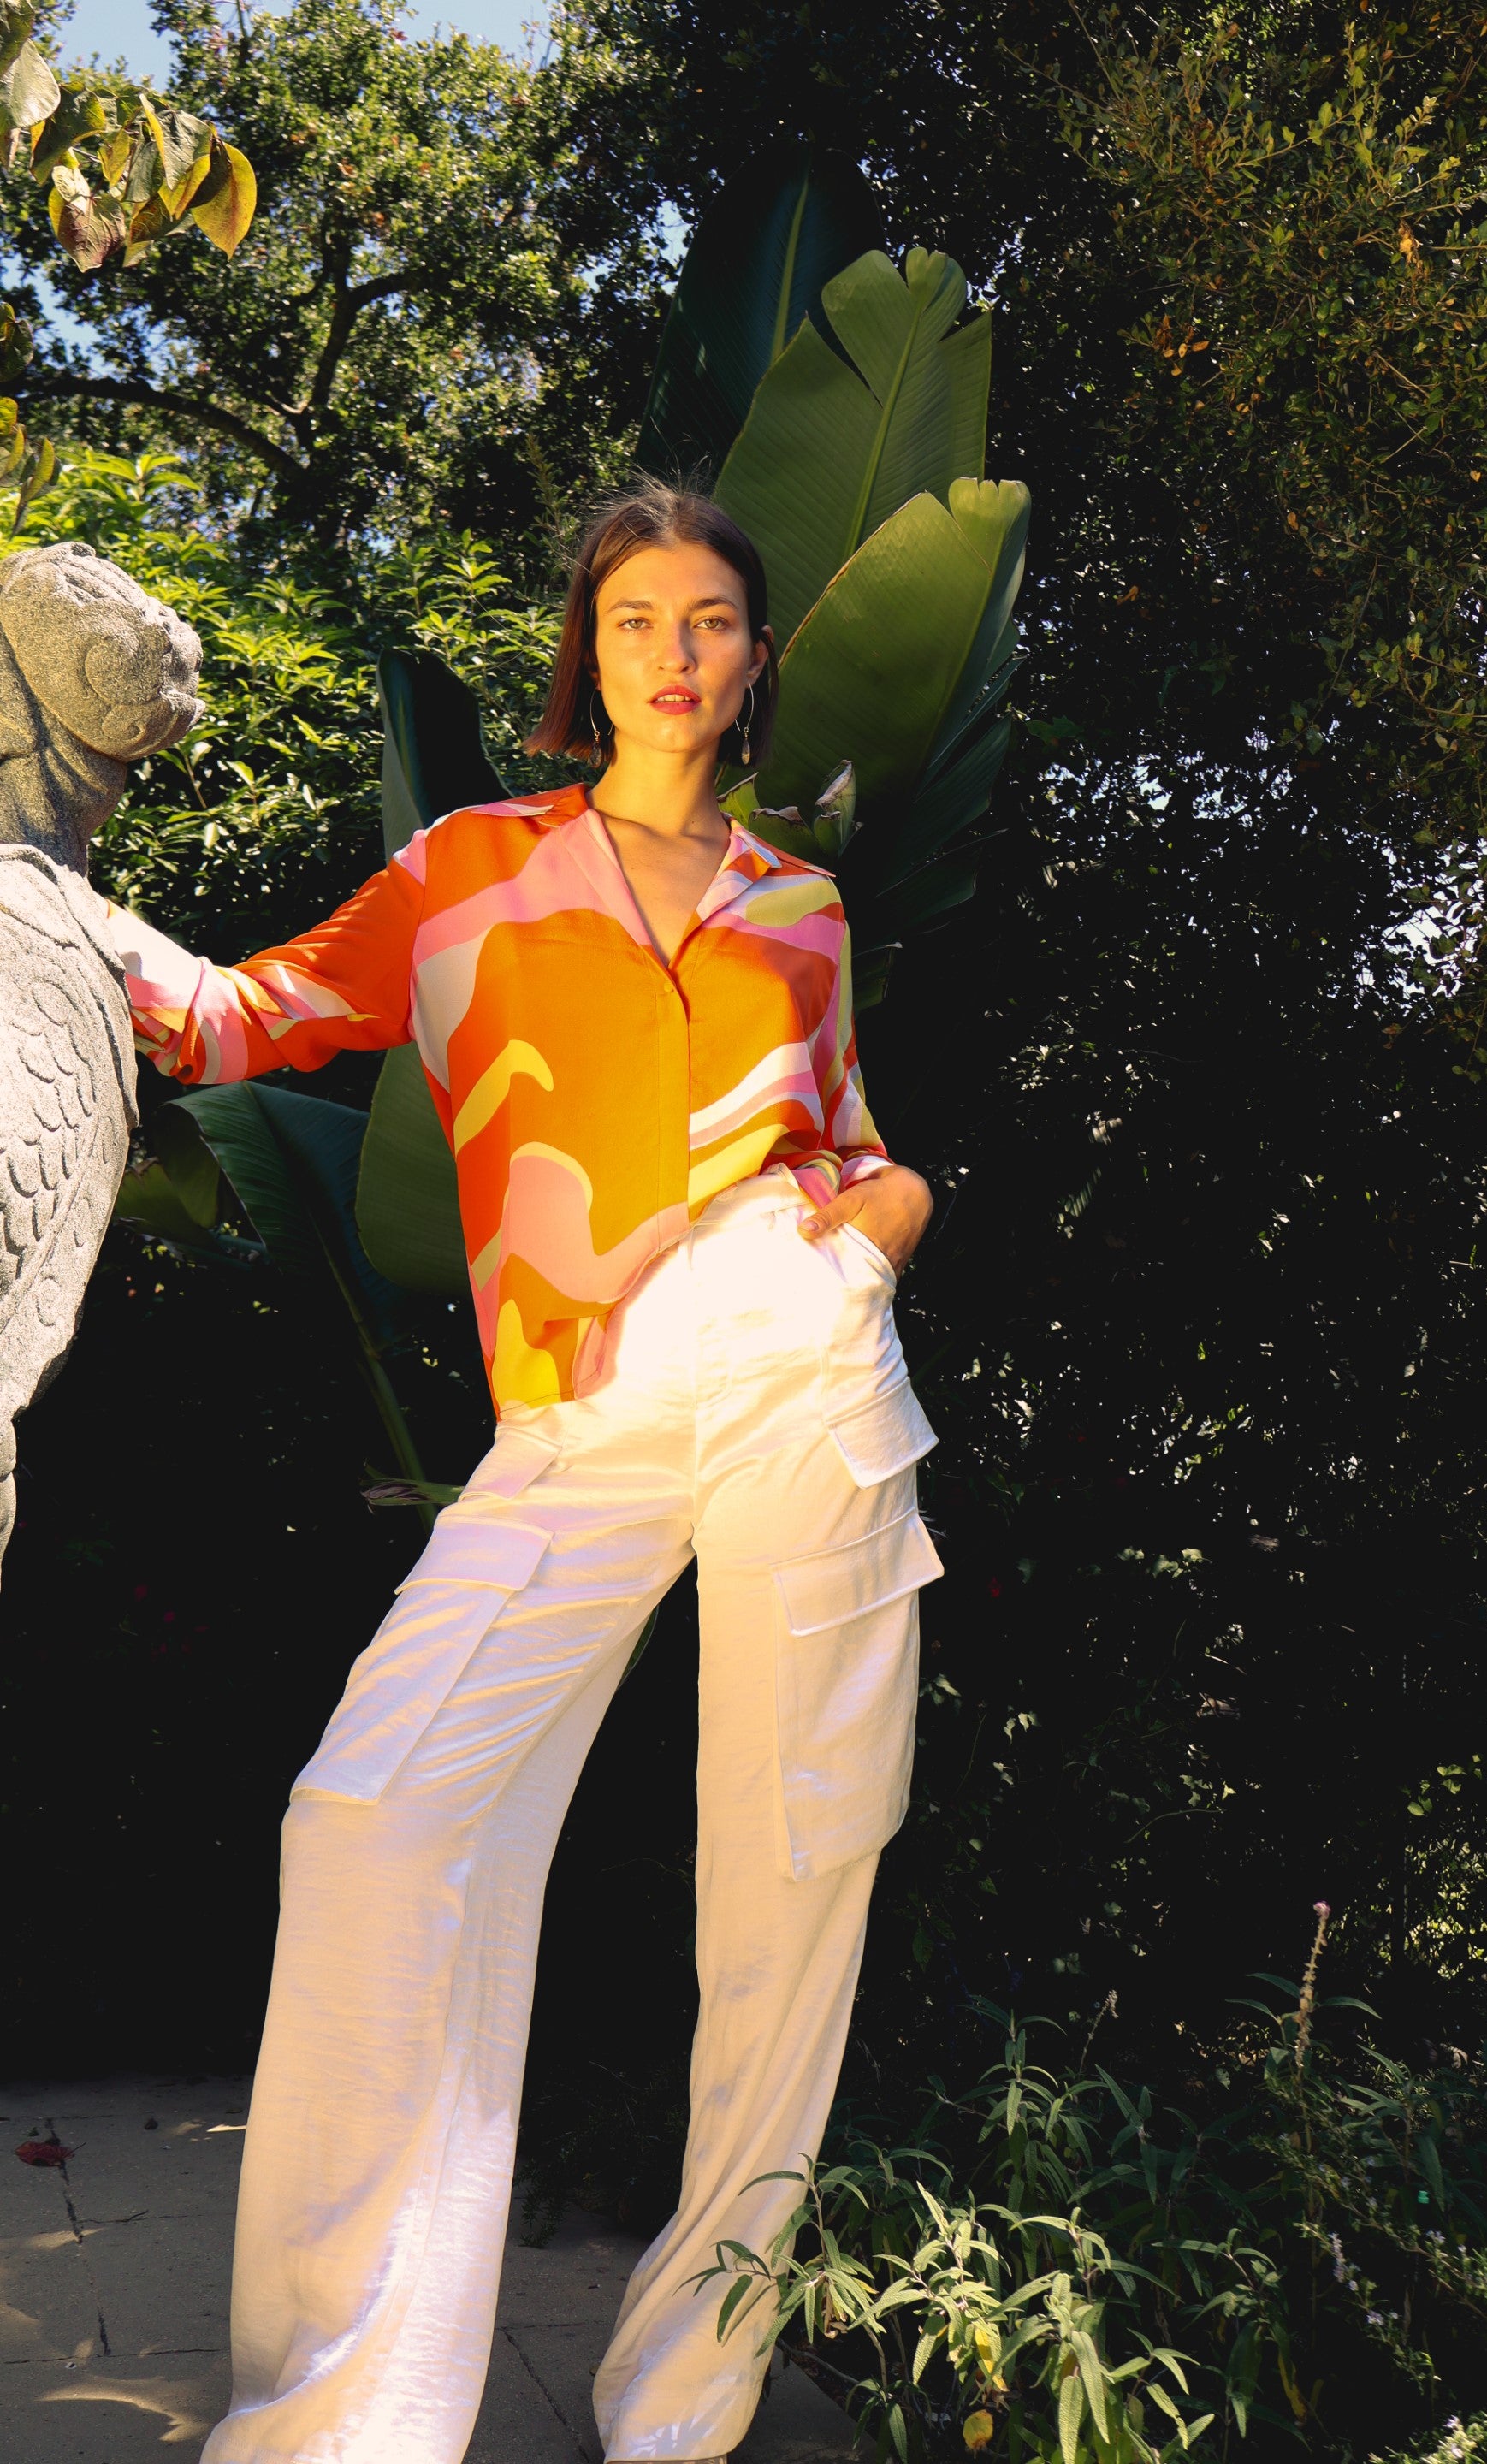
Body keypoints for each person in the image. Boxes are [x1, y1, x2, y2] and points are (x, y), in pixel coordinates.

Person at [104, 480, 941, 2464]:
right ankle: (350, 2415)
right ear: (593, 649)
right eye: (639, 614)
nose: (675, 648)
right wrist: (38, 903)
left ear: (750, 660)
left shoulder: (803, 909)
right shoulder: (473, 870)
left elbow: (858, 1140)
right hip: (581, 1415)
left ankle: (683, 2402)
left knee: (791, 1882)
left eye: (714, 618)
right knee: (374, 1818)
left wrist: (871, 1236)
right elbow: (241, 1019)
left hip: (808, 1376)